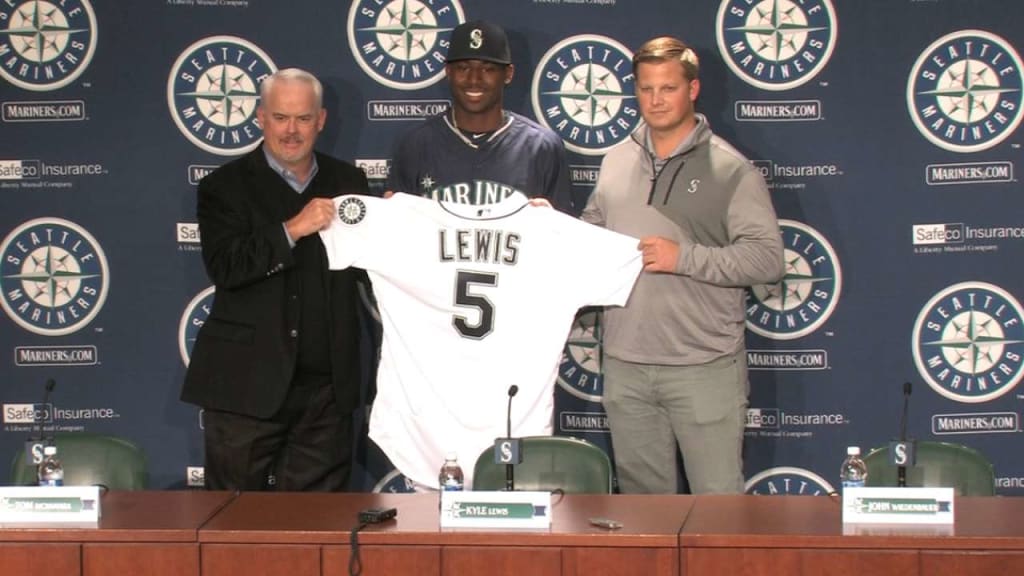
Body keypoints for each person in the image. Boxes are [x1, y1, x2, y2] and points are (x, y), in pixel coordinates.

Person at [582, 37, 784, 494]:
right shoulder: (616, 159)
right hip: (626, 364)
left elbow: (767, 260)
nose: (655, 100)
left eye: (668, 88)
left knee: (716, 512)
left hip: (703, 365)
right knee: (645, 516)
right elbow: (591, 234)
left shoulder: (731, 169)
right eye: (646, 88)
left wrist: (683, 258)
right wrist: (543, 225)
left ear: (692, 90)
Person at [181, 68, 371, 492]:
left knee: (318, 528)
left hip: (327, 392)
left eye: (303, 119)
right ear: (261, 117)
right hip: (244, 387)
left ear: (321, 120)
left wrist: (394, 222)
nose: (291, 130)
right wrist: (292, 228)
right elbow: (227, 266)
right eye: (281, 117)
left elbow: (376, 267)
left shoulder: (351, 184)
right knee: (232, 523)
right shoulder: (223, 187)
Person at [386, 20, 573, 213]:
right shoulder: (415, 144)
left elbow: (564, 236)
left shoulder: (541, 147)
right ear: (448, 72)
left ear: (508, 74)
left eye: (488, 69)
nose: (474, 79)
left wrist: (556, 224)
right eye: (463, 68)